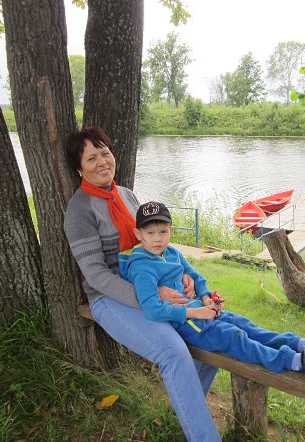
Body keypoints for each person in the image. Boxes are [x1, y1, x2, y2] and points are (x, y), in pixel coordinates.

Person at [63, 126, 221, 442]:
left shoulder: (126, 195)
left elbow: (151, 249)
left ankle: (184, 412)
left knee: (213, 330)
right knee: (173, 352)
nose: (102, 161)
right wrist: (149, 294)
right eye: (91, 158)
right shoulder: (79, 211)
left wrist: (179, 275)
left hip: (151, 285)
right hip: (109, 298)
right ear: (79, 169)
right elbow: (96, 276)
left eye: (105, 153)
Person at [119, 201, 305, 376]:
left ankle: (301, 343)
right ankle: (295, 362)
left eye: (162, 232)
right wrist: (196, 312)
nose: (157, 239)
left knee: (243, 324)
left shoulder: (172, 253)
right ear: (138, 234)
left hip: (201, 310)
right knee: (233, 336)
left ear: (171, 231)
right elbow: (152, 310)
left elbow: (195, 275)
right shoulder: (142, 267)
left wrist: (206, 296)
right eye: (150, 233)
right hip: (185, 323)